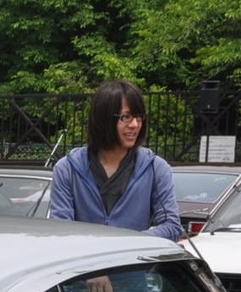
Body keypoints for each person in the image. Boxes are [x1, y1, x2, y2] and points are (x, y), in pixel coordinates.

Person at [48, 81, 180, 239]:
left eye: (139, 117)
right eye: (126, 117)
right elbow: (61, 228)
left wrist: (128, 243)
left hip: (135, 260)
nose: (135, 124)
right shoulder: (67, 169)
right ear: (103, 119)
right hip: (86, 261)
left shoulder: (156, 168)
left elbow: (171, 225)